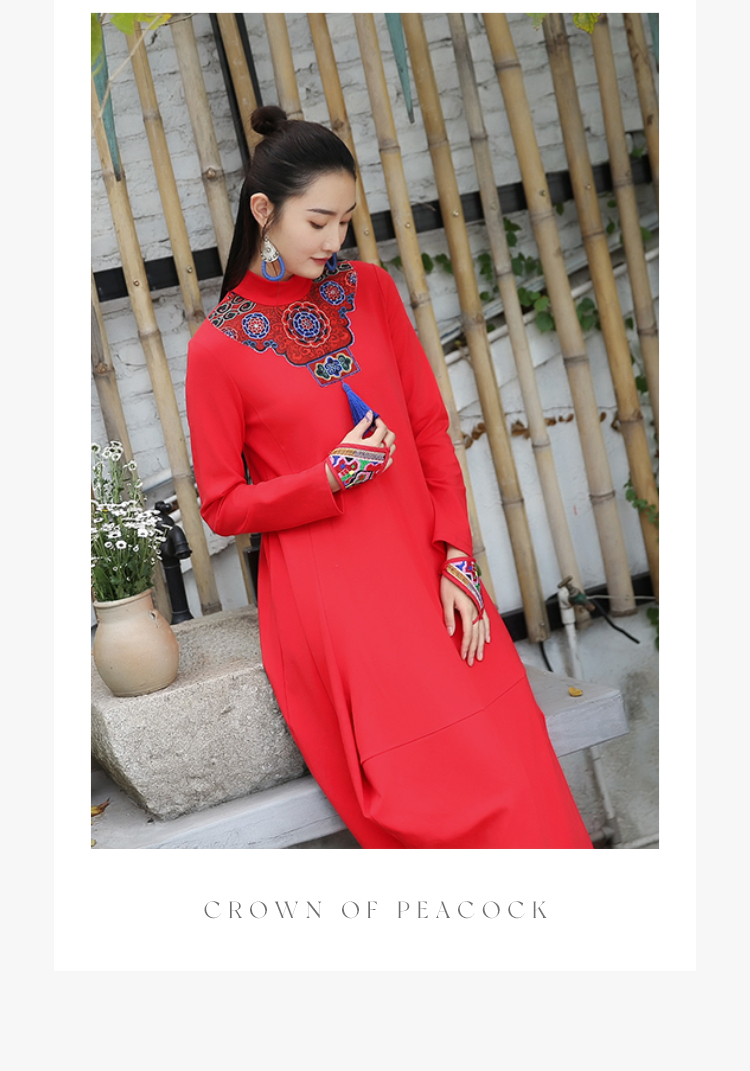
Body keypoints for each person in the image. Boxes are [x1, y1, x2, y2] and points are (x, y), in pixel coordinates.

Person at [185, 105, 592, 848]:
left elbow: (430, 429)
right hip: (337, 605)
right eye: (318, 221)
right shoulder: (217, 349)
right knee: (432, 801)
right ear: (264, 212)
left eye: (345, 221)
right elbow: (222, 505)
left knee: (519, 773)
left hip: (428, 572)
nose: (334, 240)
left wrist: (457, 555)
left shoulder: (369, 291)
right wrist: (329, 476)